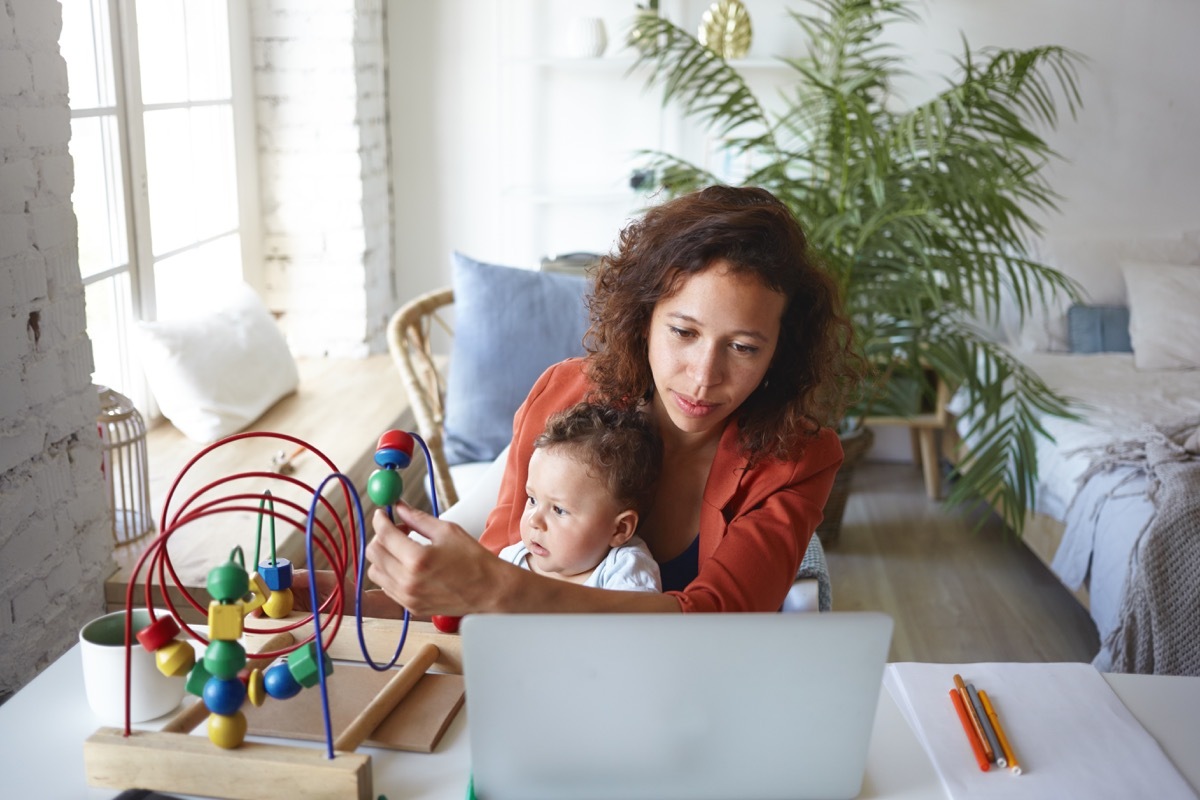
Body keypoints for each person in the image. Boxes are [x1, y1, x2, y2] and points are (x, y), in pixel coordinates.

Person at [363, 184, 860, 615]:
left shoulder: (797, 461)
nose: (704, 377)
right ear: (644, 317)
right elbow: (493, 564)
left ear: (780, 351)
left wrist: (500, 591)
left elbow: (719, 620)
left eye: (743, 347)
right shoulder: (565, 392)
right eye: (683, 332)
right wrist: (328, 597)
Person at [500, 401, 662, 592]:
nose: (535, 520)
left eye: (558, 510)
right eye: (533, 500)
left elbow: (637, 619)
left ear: (620, 528)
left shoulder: (624, 570)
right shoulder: (511, 561)